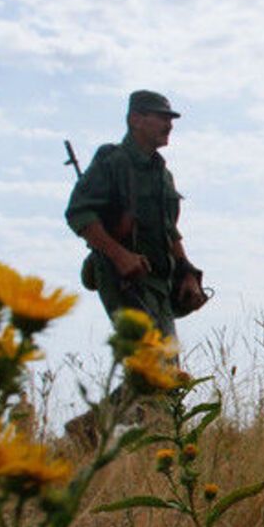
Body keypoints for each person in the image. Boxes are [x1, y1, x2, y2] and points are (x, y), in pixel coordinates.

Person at [64, 90, 206, 439]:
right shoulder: (112, 162)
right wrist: (120, 255)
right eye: (161, 117)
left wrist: (187, 272)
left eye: (170, 118)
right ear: (135, 119)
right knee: (153, 365)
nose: (168, 125)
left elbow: (170, 231)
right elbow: (79, 214)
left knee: (164, 367)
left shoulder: (161, 173)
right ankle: (161, 443)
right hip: (121, 280)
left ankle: (90, 428)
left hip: (159, 282)